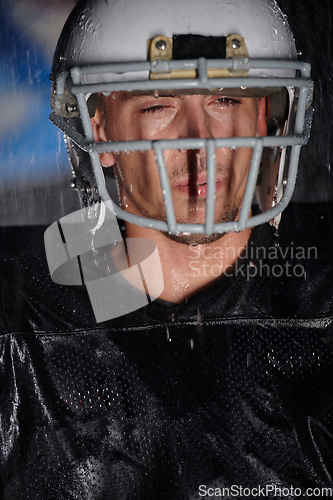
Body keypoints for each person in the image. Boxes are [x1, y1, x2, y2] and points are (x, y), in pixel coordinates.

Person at [1, 0, 333, 498]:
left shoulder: (319, 297)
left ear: (265, 120)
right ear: (102, 132)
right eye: (158, 105)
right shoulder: (19, 320)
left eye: (225, 101)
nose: (201, 142)